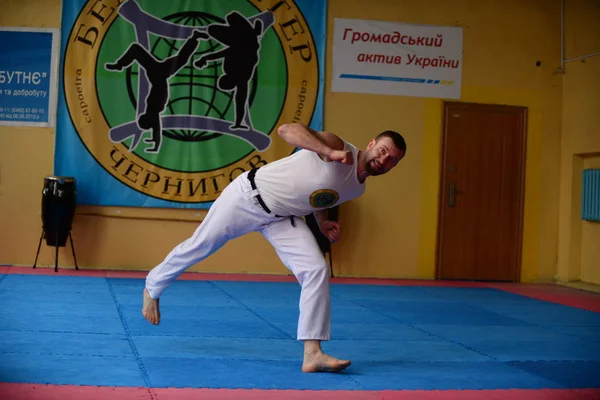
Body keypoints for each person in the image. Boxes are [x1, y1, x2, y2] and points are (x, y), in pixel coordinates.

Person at [142, 122, 407, 373]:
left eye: (393, 160)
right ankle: (152, 286)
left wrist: (324, 223)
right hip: (247, 197)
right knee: (201, 245)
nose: (384, 160)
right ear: (371, 143)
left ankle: (313, 353)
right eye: (383, 151)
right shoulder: (338, 146)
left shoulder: (357, 188)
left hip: (281, 218)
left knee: (316, 269)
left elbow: (320, 197)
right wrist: (327, 151)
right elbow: (286, 130)